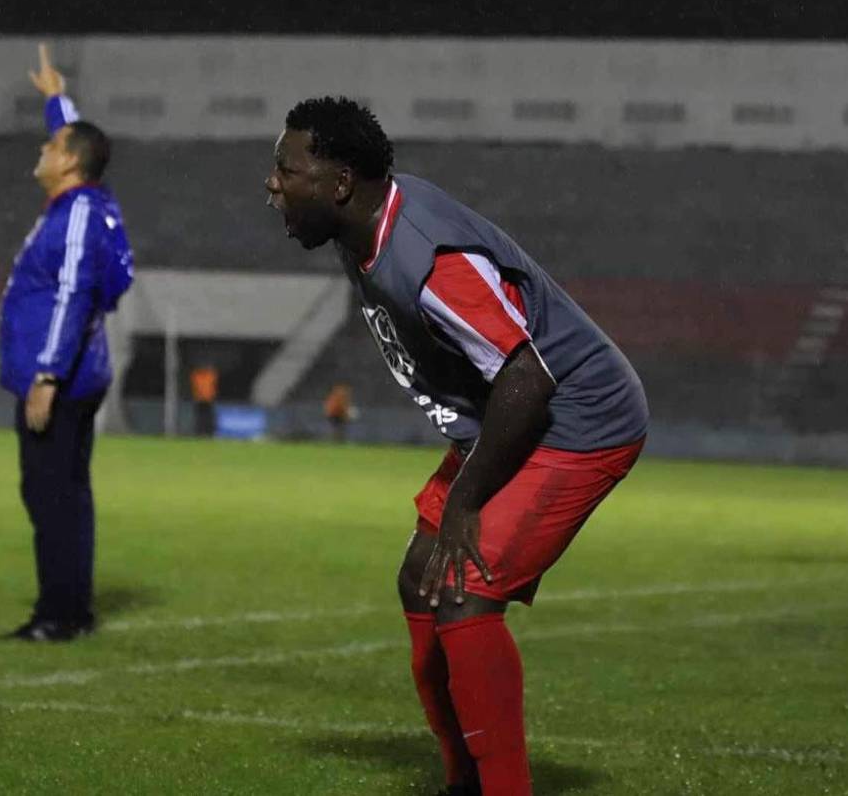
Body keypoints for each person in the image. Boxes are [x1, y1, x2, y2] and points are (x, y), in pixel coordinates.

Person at [264, 97, 648, 795]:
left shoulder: (427, 256)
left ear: (340, 182)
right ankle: (462, 782)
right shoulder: (370, 228)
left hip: (578, 418)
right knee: (421, 576)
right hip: (507, 415)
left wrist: (465, 500)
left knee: (465, 587)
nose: (273, 183)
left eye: (287, 169)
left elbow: (528, 378)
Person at [0, 44, 134, 642]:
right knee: (65, 495)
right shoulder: (88, 203)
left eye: (52, 145)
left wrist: (47, 376)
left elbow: (74, 296)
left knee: (51, 495)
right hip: (77, 375)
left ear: (70, 164)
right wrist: (57, 102)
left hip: (60, 378)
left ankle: (58, 615)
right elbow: (80, 144)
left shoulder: (76, 214)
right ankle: (69, 609)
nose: (43, 149)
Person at [190, 363, 219, 437]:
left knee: (208, 417)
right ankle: (199, 432)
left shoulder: (210, 375)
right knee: (200, 418)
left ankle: (209, 432)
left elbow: (213, 382)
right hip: (199, 400)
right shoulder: (196, 375)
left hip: (208, 400)